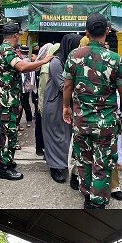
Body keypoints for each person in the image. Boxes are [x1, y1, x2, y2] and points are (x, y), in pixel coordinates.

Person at [63, 13, 122, 209]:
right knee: (102, 163)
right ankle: (98, 202)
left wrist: (66, 107)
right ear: (108, 31)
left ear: (86, 32)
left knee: (84, 160)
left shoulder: (73, 56)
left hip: (81, 121)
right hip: (106, 123)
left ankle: (87, 195)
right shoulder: (114, 59)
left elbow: (67, 86)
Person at [0, 22, 53, 181]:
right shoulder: (7, 50)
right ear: (16, 35)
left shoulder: (3, 49)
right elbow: (22, 67)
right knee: (8, 132)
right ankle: (4, 167)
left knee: (7, 132)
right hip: (6, 101)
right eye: (19, 35)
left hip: (6, 99)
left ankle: (5, 161)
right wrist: (44, 61)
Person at [43, 33, 80, 184]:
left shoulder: (71, 61)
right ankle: (55, 166)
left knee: (66, 134)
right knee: (55, 134)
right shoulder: (56, 62)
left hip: (66, 102)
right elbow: (63, 86)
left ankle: (62, 163)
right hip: (55, 102)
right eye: (77, 46)